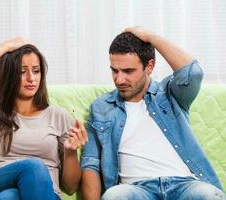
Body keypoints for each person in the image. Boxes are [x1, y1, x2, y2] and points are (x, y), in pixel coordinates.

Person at [81, 26, 226, 200]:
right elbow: (91, 163)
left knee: (209, 195)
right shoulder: (101, 107)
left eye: (128, 71)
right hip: (135, 190)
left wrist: (151, 37)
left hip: (184, 186)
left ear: (149, 66)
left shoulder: (171, 94)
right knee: (114, 196)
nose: (119, 80)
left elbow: (192, 73)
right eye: (114, 70)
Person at [0, 37, 88, 200]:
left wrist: (71, 152)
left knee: (8, 197)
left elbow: (71, 187)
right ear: (9, 74)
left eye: (36, 71)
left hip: (44, 195)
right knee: (34, 166)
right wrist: (6, 46)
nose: (31, 78)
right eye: (22, 71)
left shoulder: (58, 117)